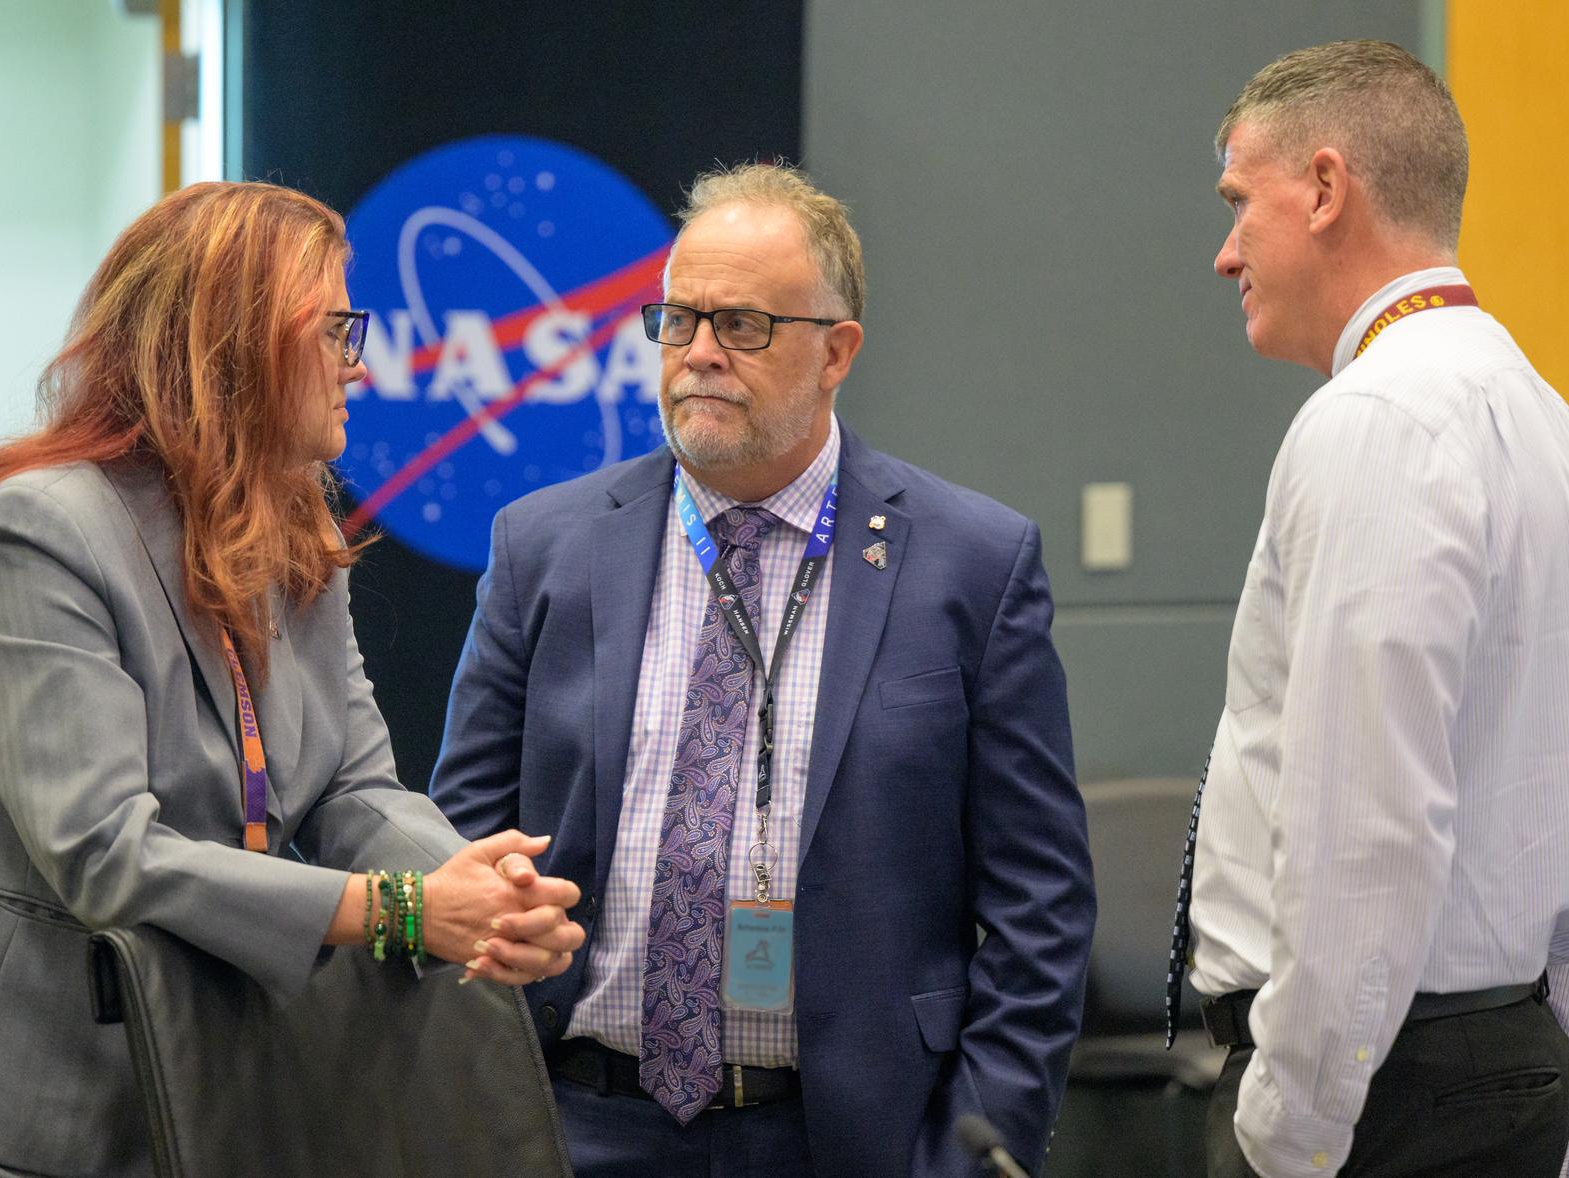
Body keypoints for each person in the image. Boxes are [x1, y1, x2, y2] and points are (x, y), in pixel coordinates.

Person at [0, 181, 585, 1177]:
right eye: (335, 329)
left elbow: (354, 785)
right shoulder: (36, 528)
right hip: (6, 1096)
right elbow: (106, 849)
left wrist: (467, 888)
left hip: (192, 1068)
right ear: (230, 343)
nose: (359, 363)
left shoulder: (291, 517)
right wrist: (399, 910)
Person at [430, 162, 1096, 1178]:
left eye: (741, 325)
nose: (698, 353)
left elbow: (1036, 907)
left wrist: (972, 1151)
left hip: (846, 1139)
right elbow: (460, 842)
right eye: (677, 319)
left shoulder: (969, 564)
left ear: (836, 351)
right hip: (573, 1121)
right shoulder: (544, 548)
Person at [1170, 40, 1569, 1178]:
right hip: (1492, 1059)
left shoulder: (1374, 421)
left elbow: (1362, 835)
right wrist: (1562, 1075)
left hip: (1374, 1100)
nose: (1223, 255)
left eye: (1238, 203)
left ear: (1323, 189)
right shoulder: (1543, 419)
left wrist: (1287, 1138)